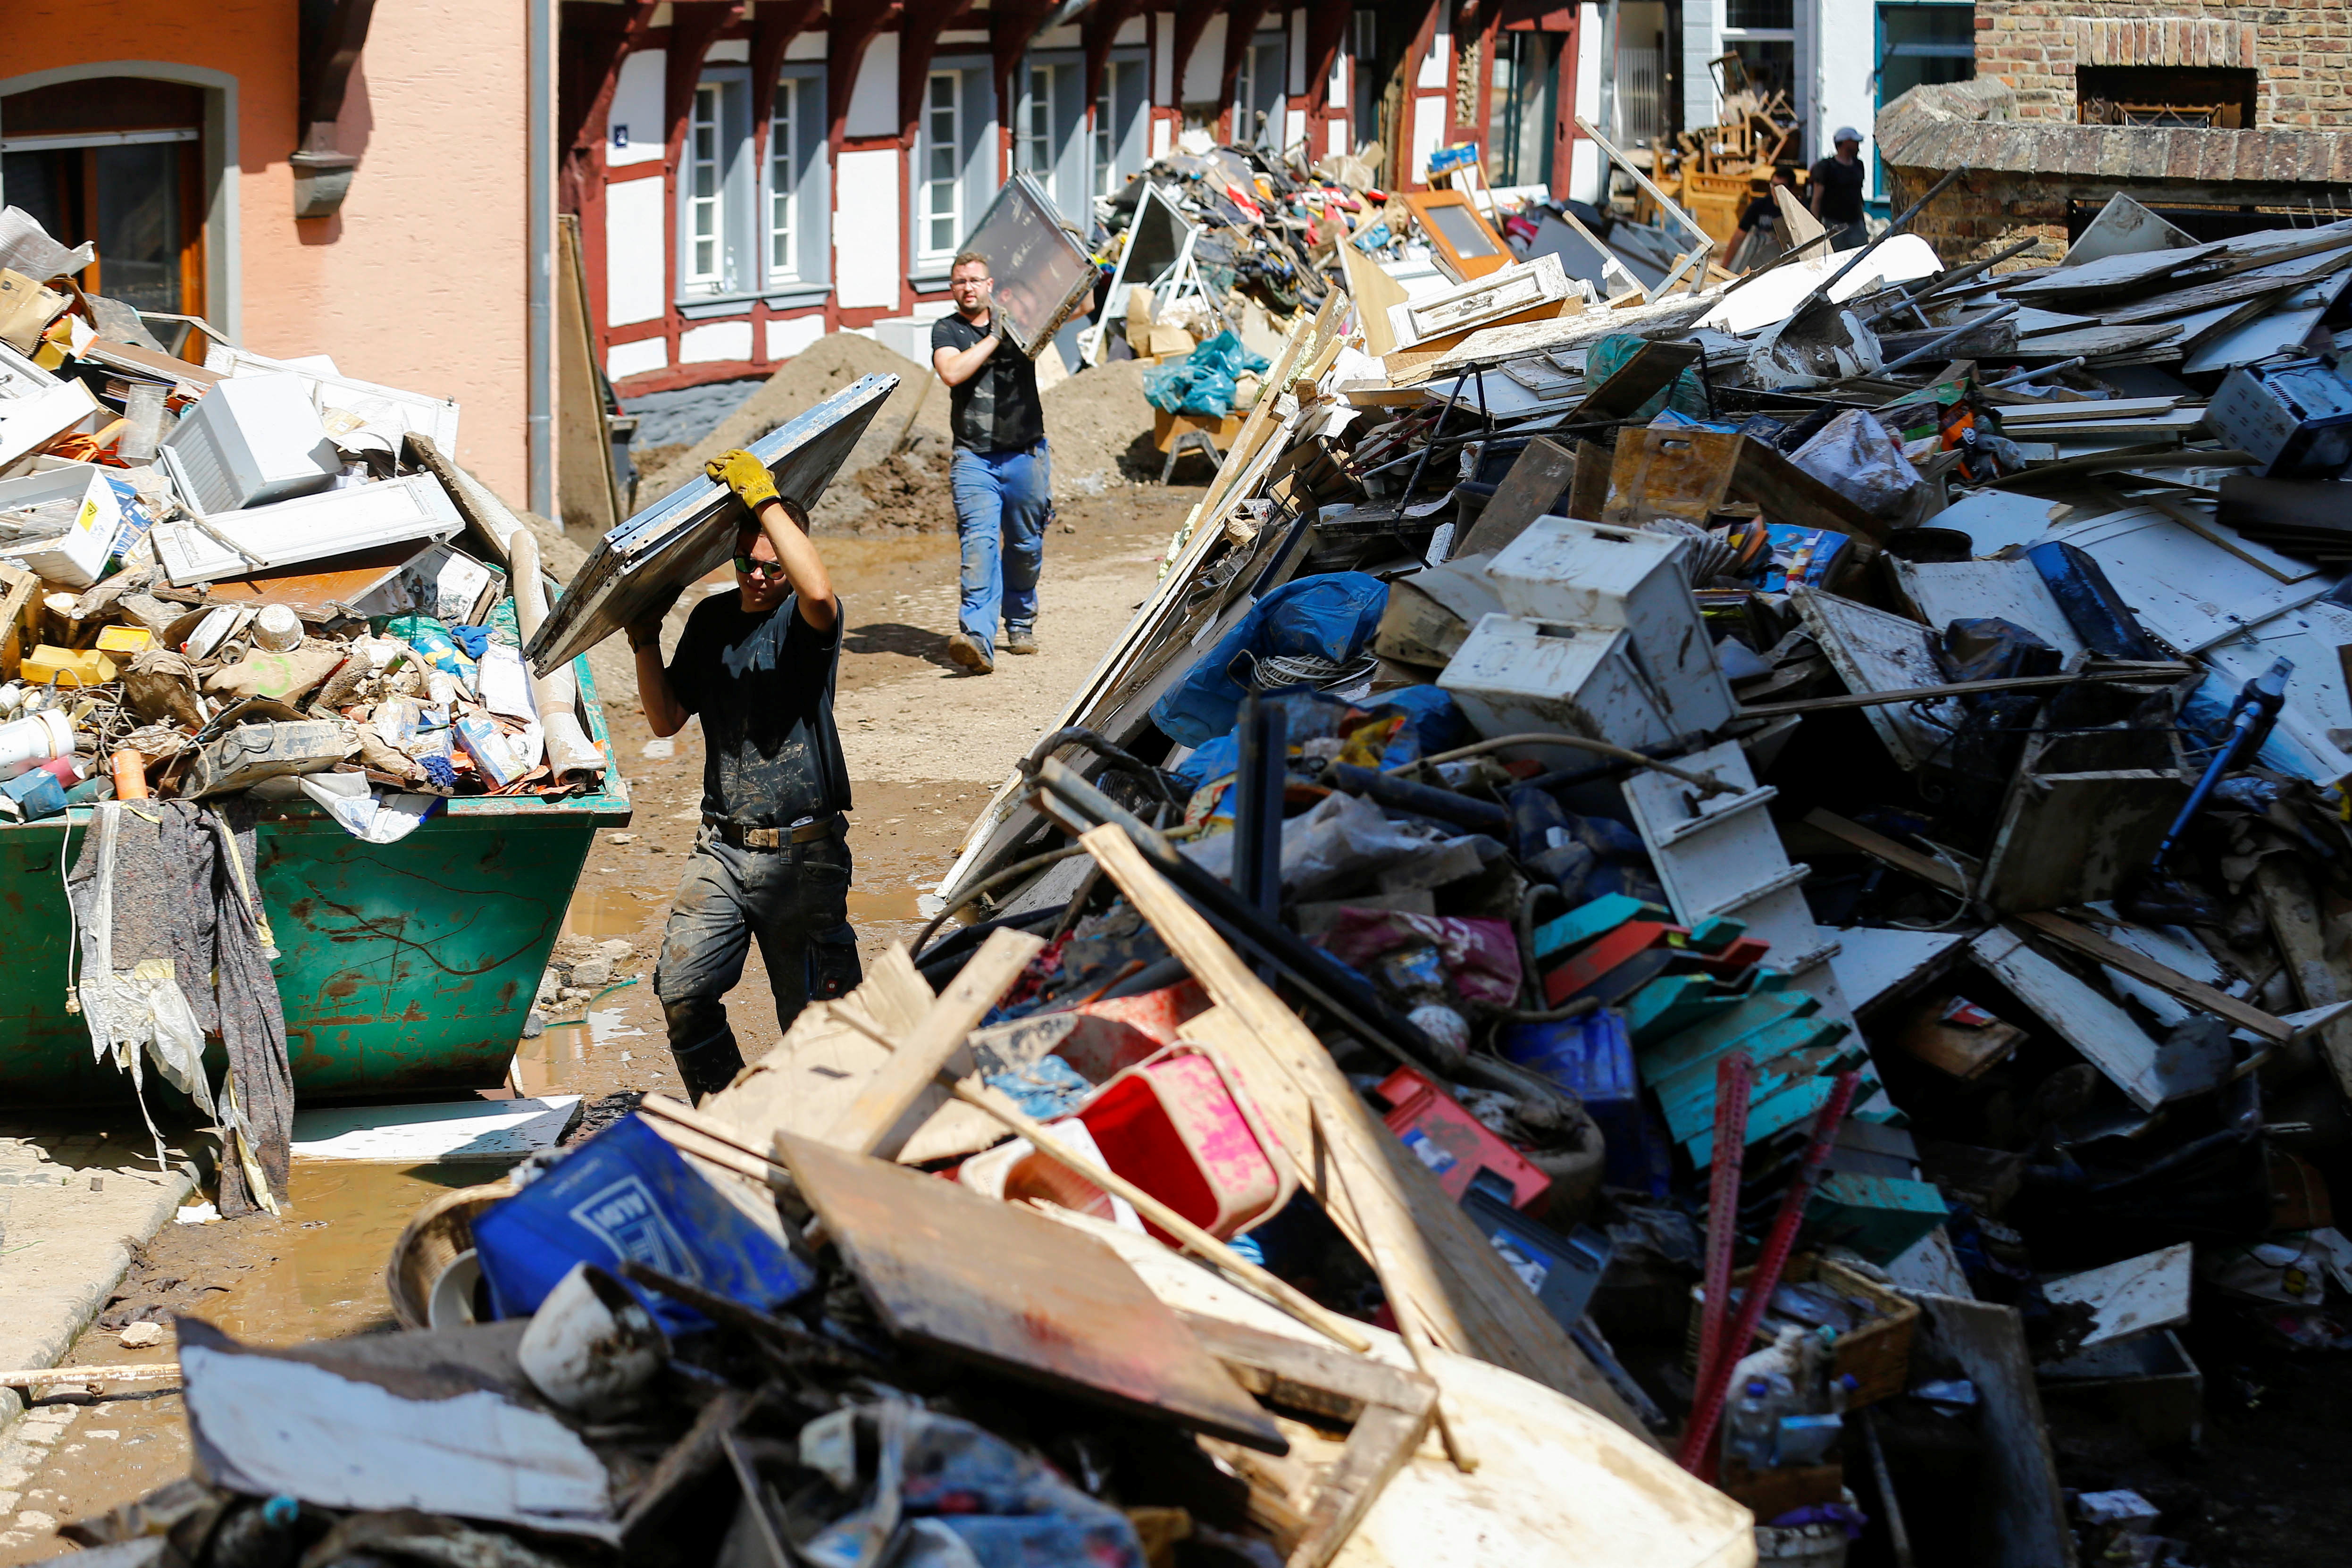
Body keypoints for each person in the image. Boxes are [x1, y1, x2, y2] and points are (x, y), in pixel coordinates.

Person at [630, 450, 861, 1101]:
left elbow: (816, 589)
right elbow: (665, 718)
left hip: (803, 856)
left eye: (772, 565)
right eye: (745, 563)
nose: (758, 576)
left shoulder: (806, 620)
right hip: (723, 849)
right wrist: (644, 639)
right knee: (682, 988)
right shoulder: (710, 621)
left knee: (820, 1027)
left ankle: (837, 1145)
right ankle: (733, 1116)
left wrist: (763, 497)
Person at [931, 250, 1051, 676]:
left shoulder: (1024, 324)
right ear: (953, 288)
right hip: (974, 460)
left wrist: (1078, 257)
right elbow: (952, 372)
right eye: (960, 281)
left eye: (975, 280)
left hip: (1026, 454)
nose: (967, 287)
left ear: (989, 285)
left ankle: (1020, 623)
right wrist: (995, 338)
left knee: (1024, 546)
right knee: (978, 546)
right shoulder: (948, 330)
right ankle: (978, 641)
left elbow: (1082, 306)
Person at [1809, 128, 1869, 252]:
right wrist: (1815, 228)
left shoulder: (1858, 165)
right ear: (1846, 143)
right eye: (1855, 142)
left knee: (1861, 256)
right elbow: (1817, 200)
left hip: (1856, 223)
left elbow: (1858, 195)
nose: (1858, 146)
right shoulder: (1826, 168)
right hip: (1834, 224)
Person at [1729, 167, 1797, 271]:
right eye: (1773, 185)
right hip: (1759, 258)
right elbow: (1739, 237)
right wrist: (1725, 267)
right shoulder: (1759, 207)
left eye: (1780, 187)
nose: (1775, 191)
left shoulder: (1797, 210)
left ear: (1791, 189)